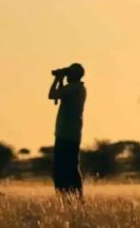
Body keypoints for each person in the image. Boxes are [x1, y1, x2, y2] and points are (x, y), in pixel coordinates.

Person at [47, 62, 87, 199]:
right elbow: (60, 96)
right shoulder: (77, 89)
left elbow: (52, 95)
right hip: (71, 133)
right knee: (70, 168)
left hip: (66, 134)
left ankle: (67, 197)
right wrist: (61, 79)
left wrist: (57, 79)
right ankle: (74, 197)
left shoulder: (74, 88)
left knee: (62, 169)